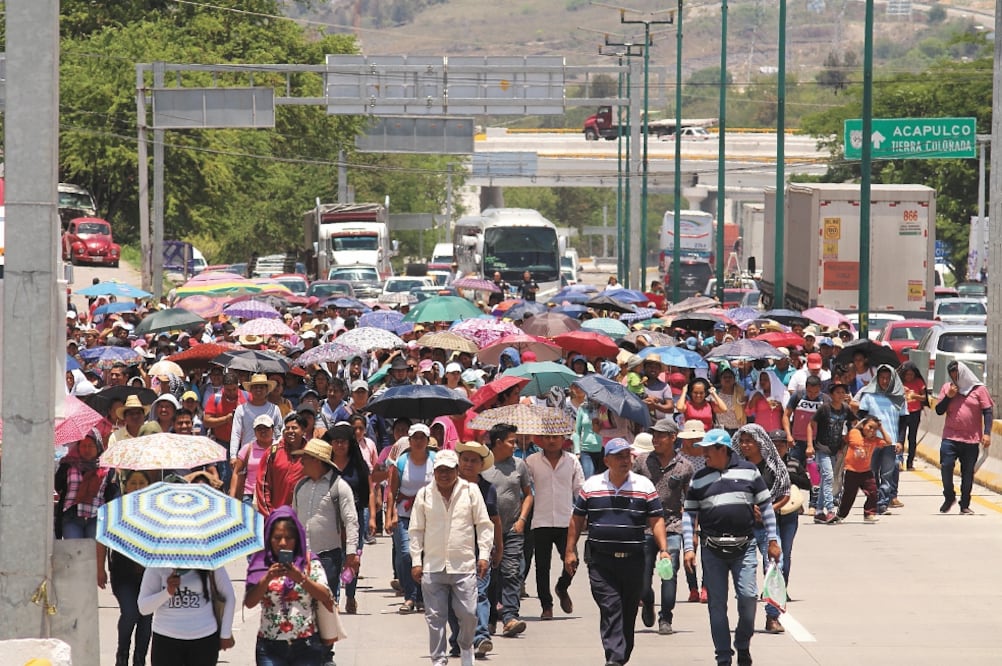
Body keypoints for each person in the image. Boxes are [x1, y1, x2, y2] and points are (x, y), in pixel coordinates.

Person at [564, 438, 669, 666]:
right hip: (601, 562)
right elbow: (577, 519)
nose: (625, 460)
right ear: (606, 460)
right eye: (619, 456)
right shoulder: (591, 486)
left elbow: (656, 519)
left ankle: (619, 656)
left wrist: (664, 549)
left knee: (628, 614)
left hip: (633, 562)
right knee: (611, 607)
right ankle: (614, 658)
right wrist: (569, 550)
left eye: (627, 456)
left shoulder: (644, 486)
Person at [683, 428, 780, 666]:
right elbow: (689, 514)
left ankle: (743, 644)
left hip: (744, 547)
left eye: (707, 449)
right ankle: (723, 657)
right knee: (717, 606)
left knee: (748, 597)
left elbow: (766, 507)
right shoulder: (699, 477)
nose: (704, 453)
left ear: (722, 449)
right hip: (712, 550)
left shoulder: (749, 472)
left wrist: (773, 540)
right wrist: (688, 547)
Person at [410, 449, 494, 666]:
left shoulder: (471, 491)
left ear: (457, 470)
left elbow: (484, 525)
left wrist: (484, 555)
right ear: (434, 472)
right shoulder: (425, 494)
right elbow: (416, 530)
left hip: (464, 565)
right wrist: (416, 561)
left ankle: (466, 646)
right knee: (435, 618)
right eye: (440, 470)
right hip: (433, 565)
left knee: (468, 613)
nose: (444, 474)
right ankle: (438, 659)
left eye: (449, 470)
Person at [291, 438, 359, 666]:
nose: (301, 462)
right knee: (301, 604)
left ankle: (325, 654)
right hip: (302, 556)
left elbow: (351, 521)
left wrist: (351, 553)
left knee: (324, 605)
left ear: (317, 461)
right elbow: (293, 519)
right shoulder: (300, 486)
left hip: (328, 556)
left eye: (305, 458)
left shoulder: (339, 486)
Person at [244, 507, 335, 666]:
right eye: (277, 537)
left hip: (306, 646)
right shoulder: (261, 563)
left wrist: (300, 578)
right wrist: (267, 579)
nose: (283, 543)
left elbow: (325, 595)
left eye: (289, 538)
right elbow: (250, 602)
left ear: (297, 538)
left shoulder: (309, 562)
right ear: (268, 538)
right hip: (270, 646)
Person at [633, 418, 694, 636]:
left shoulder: (685, 466)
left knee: (669, 572)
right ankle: (648, 601)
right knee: (642, 576)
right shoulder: (641, 462)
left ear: (673, 438)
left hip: (673, 526)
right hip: (644, 526)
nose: (656, 439)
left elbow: (690, 502)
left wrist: (692, 533)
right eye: (654, 435)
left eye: (661, 435)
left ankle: (666, 617)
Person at [732, 424, 791, 634]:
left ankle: (772, 617)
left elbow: (785, 493)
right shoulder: (735, 466)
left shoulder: (774, 466)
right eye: (743, 441)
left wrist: (768, 509)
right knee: (743, 572)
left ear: (760, 443)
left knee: (776, 567)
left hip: (768, 525)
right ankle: (745, 616)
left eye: (750, 441)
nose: (746, 445)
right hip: (743, 526)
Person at [450, 441, 503, 660]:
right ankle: (459, 639)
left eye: (474, 461)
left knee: (480, 593)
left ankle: (480, 637)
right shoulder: (448, 485)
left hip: (480, 549)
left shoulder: (487, 488)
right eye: (465, 459)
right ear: (459, 462)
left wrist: (498, 547)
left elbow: (494, 521)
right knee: (454, 597)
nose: (469, 464)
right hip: (453, 549)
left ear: (481, 465)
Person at [524, 430, 584, 621]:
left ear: (563, 439)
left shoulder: (572, 461)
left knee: (573, 561)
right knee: (542, 566)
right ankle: (546, 605)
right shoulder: (531, 461)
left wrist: (586, 514)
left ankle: (562, 586)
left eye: (555, 437)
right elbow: (525, 487)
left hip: (566, 520)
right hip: (540, 520)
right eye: (547, 437)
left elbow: (580, 490)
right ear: (541, 440)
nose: (551, 441)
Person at [481, 423, 534, 638]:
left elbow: (529, 494)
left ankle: (510, 616)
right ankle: (492, 618)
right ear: (498, 442)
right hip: (487, 531)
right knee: (490, 575)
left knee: (512, 571)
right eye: (511, 441)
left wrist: (522, 519)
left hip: (513, 527)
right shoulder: (483, 466)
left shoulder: (520, 465)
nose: (514, 445)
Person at [98, 469, 154, 666]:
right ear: (125, 486)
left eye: (142, 483)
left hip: (150, 573)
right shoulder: (115, 509)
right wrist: (100, 568)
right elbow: (101, 540)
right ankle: (122, 656)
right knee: (130, 612)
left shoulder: (156, 509)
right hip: (122, 572)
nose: (137, 487)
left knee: (146, 617)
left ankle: (140, 660)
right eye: (133, 483)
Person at [138, 555, 236, 666]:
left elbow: (230, 597)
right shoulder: (157, 564)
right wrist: (167, 592)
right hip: (166, 640)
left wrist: (225, 635)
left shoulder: (210, 561)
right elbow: (143, 607)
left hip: (204, 640)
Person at [324, 422, 375, 613]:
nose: (339, 445)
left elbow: (369, 491)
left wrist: (371, 518)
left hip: (356, 516)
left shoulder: (358, 465)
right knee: (334, 557)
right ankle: (334, 598)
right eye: (336, 442)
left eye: (343, 442)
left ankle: (351, 595)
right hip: (330, 516)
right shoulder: (325, 464)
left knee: (352, 557)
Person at [386, 423, 437, 614]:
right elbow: (392, 491)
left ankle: (423, 596)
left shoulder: (435, 459)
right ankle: (409, 596)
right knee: (406, 554)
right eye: (414, 438)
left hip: (429, 515)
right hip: (405, 514)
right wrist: (390, 515)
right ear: (409, 440)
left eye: (422, 438)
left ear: (427, 440)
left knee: (425, 555)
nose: (418, 441)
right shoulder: (401, 462)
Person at [935, 361, 994, 514]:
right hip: (950, 437)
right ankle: (949, 496)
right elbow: (939, 410)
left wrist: (987, 433)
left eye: (958, 377)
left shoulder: (979, 390)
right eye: (953, 377)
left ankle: (965, 504)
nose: (956, 380)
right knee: (946, 466)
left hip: (971, 439)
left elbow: (987, 411)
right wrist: (949, 397)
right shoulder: (948, 388)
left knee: (967, 473)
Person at [854, 365, 906, 514]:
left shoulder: (899, 397)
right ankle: (874, 500)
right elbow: (861, 417)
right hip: (871, 443)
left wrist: (901, 441)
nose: (884, 381)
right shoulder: (869, 395)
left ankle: (882, 503)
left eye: (887, 378)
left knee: (887, 474)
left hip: (890, 442)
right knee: (871, 473)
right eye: (881, 378)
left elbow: (903, 422)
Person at [806, 382, 855, 524]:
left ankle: (819, 511)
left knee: (826, 479)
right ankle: (830, 510)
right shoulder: (824, 409)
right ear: (832, 395)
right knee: (828, 477)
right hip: (822, 448)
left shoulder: (846, 409)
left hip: (836, 449)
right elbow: (811, 425)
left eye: (843, 392)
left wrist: (849, 437)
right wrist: (810, 445)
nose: (840, 395)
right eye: (837, 392)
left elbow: (855, 423)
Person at [55, 430, 113, 539]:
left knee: (93, 554)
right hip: (72, 517)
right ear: (78, 447)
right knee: (73, 552)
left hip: (97, 517)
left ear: (98, 446)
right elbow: (58, 486)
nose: (87, 449)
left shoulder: (106, 468)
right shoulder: (68, 465)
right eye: (83, 445)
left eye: (91, 446)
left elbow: (110, 493)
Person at [255, 414, 307, 517]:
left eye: (294, 428)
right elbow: (263, 486)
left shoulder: (310, 454)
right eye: (287, 428)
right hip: (277, 515)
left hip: (304, 517)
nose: (290, 431)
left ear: (303, 431)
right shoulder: (272, 452)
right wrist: (270, 515)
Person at [837, 416, 887, 523]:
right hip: (851, 470)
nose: (872, 430)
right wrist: (840, 450)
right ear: (863, 425)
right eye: (870, 427)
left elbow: (888, 441)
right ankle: (841, 515)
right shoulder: (854, 433)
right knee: (849, 495)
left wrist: (881, 429)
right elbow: (844, 440)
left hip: (866, 471)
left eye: (875, 429)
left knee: (873, 492)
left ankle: (869, 513)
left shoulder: (875, 440)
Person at [898, 361, 928, 471]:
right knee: (900, 437)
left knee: (912, 437)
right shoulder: (899, 383)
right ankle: (899, 460)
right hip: (902, 412)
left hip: (915, 412)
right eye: (907, 375)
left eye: (911, 374)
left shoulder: (919, 382)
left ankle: (910, 462)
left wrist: (915, 396)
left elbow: (924, 398)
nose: (909, 377)